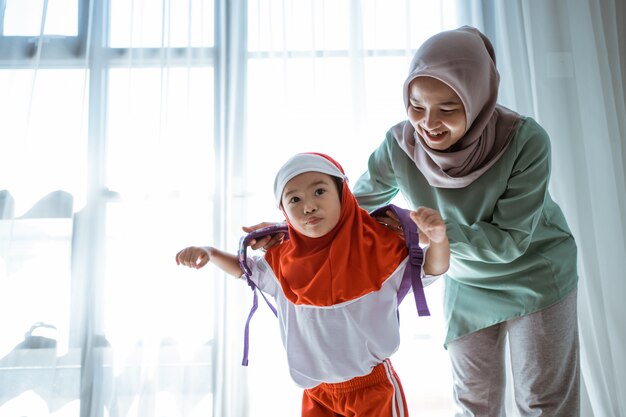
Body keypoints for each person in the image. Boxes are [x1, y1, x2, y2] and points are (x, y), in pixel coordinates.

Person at [248, 26, 580, 417]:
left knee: (542, 402)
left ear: (477, 98)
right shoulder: (400, 144)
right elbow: (352, 209)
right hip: (466, 281)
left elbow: (510, 241)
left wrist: (432, 231)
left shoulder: (526, 141)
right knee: (475, 402)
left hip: (535, 276)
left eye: (448, 109)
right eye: (417, 107)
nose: (428, 123)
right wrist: (291, 235)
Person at [175, 152, 450, 417]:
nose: (308, 206)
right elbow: (243, 269)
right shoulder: (280, 260)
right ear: (283, 210)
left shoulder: (379, 248)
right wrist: (210, 253)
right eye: (295, 199)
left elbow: (431, 268)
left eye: (320, 192)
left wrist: (438, 239)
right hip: (316, 393)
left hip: (372, 390)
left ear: (343, 193)